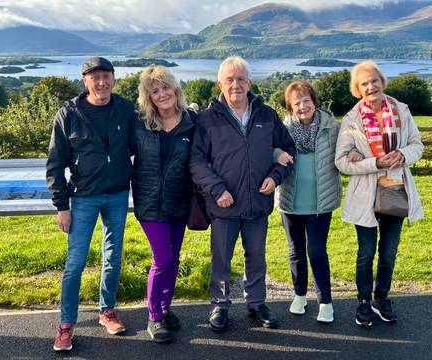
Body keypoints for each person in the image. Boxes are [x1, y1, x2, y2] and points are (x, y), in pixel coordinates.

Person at [190, 56, 295, 332]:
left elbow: (288, 151)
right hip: (224, 204)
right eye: (230, 79)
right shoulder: (206, 119)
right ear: (220, 84)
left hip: (258, 203)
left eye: (241, 79)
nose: (235, 84)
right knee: (222, 259)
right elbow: (196, 162)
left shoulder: (267, 115)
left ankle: (257, 302)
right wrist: (217, 189)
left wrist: (275, 177)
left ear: (249, 83)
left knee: (257, 257)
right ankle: (219, 306)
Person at [46, 57, 135, 351]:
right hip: (82, 197)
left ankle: (106, 311)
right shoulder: (69, 114)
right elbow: (55, 163)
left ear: (113, 78)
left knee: (113, 257)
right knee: (75, 263)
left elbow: (139, 145)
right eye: (94, 77)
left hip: (118, 194)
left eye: (106, 76)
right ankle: (66, 324)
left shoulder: (124, 109)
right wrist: (62, 206)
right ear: (84, 80)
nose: (101, 82)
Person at [335, 60, 423, 327]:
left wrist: (403, 155)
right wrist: (375, 163)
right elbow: (341, 161)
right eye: (364, 83)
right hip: (365, 197)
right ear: (357, 89)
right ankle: (363, 302)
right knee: (365, 253)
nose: (370, 86)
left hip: (396, 192)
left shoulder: (401, 110)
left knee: (388, 253)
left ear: (382, 82)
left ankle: (381, 297)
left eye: (374, 81)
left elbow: (417, 145)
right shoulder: (351, 119)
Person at [132, 65, 195, 343]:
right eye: (154, 91)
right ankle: (154, 316)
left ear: (176, 89)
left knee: (174, 258)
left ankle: (165, 307)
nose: (162, 94)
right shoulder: (140, 123)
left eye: (166, 87)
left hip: (180, 202)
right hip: (149, 203)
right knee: (163, 259)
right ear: (148, 97)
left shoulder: (192, 122)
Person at [275, 80, 341, 323]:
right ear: (291, 108)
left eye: (306, 100)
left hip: (319, 203)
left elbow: (345, 150)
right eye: (296, 103)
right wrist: (276, 154)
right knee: (296, 252)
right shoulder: (283, 129)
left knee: (316, 251)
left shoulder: (331, 127)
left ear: (314, 101)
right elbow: (270, 149)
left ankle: (325, 302)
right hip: (290, 202)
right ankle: (300, 295)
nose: (302, 106)